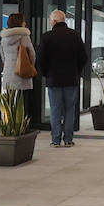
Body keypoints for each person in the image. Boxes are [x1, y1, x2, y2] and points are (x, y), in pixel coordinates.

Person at [35, 9, 88, 148]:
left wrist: (46, 73)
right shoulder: (75, 35)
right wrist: (76, 71)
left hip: (54, 79)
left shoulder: (47, 37)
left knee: (55, 109)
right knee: (70, 109)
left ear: (54, 21)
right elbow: (84, 57)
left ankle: (56, 140)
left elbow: (40, 59)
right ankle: (69, 139)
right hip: (71, 79)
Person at [0, 12, 36, 93]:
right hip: (22, 72)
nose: (25, 23)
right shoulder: (24, 37)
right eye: (23, 21)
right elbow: (32, 54)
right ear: (19, 22)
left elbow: (3, 56)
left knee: (10, 101)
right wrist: (31, 65)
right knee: (22, 100)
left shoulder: (4, 38)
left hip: (8, 72)